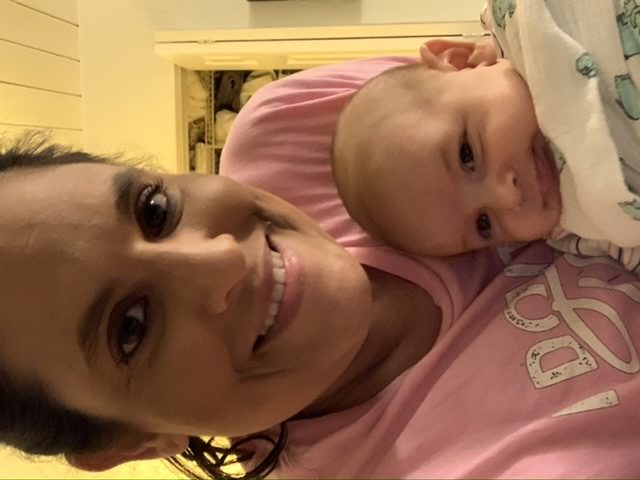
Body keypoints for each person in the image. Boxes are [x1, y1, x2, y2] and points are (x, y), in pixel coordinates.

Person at [0, 61, 639, 480]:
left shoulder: (296, 131)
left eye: (155, 209)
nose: (221, 259)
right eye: (131, 328)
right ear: (133, 443)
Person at [331, 0, 640, 272]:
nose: (508, 196)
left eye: (467, 156)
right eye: (484, 224)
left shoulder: (522, 20)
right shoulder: (581, 228)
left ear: (460, 61)